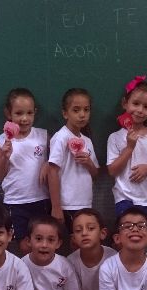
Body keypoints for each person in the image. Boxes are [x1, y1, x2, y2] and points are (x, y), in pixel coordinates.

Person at [0, 88, 50, 255]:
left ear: (35, 112)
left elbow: (57, 160)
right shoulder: (1, 141)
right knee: (25, 246)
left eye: (29, 113)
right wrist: (4, 157)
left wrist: (48, 163)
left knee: (43, 243)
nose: (24, 118)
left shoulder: (43, 136)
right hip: (16, 202)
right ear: (8, 113)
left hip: (41, 199)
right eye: (19, 113)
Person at [106, 76, 147, 226]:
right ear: (125, 103)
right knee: (126, 234)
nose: (140, 110)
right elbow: (112, 171)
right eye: (135, 104)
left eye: (146, 107)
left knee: (146, 235)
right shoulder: (115, 137)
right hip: (124, 199)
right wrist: (129, 147)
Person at [48, 88, 100, 234]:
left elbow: (95, 174)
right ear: (65, 113)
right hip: (67, 204)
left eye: (86, 110)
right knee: (71, 241)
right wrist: (56, 207)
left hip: (85, 202)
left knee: (82, 241)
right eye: (76, 110)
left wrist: (89, 163)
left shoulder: (87, 141)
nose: (82, 114)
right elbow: (52, 172)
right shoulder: (61, 137)